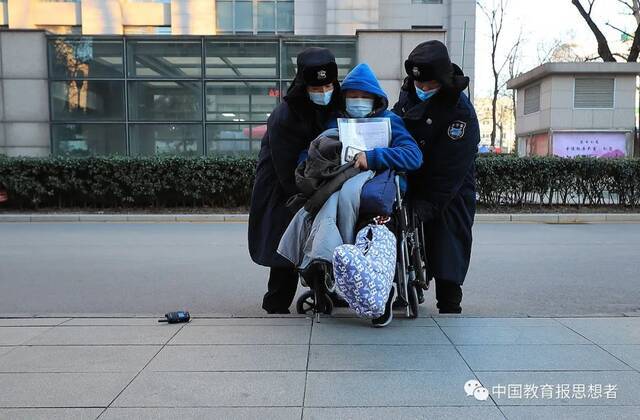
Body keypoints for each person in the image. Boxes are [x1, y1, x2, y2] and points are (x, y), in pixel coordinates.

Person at [248, 47, 341, 314]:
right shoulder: (285, 115)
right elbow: (286, 167)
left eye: (328, 85)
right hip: (283, 184)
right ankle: (276, 303)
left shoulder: (339, 103)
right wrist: (307, 197)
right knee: (284, 243)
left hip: (323, 181)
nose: (323, 91)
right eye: (316, 86)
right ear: (303, 83)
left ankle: (326, 291)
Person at [392, 40, 480, 314]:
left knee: (447, 242)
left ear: (442, 80)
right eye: (419, 85)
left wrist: (429, 203)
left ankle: (449, 302)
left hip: (450, 189)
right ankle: (401, 288)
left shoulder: (460, 112)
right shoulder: (409, 94)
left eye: (430, 86)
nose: (423, 90)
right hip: (413, 179)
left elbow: (450, 169)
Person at [334, 62, 423, 327]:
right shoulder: (336, 124)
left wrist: (373, 157)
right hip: (340, 193)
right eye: (352, 96)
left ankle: (380, 288)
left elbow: (413, 156)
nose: (358, 102)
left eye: (364, 97)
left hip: (378, 198)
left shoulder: (390, 122)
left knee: (375, 231)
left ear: (375, 99)